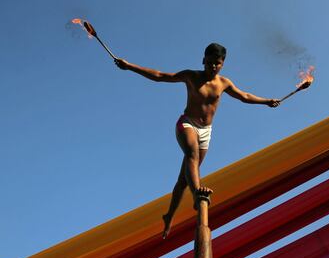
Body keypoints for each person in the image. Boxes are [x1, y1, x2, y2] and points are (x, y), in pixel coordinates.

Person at [115, 43, 280, 239]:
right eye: (209, 63)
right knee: (191, 155)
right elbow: (160, 76)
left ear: (222, 64)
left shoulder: (224, 83)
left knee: (183, 180)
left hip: (206, 132)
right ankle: (197, 195)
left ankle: (168, 216)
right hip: (187, 124)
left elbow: (244, 96)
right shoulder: (191, 76)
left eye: (216, 64)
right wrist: (130, 66)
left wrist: (266, 101)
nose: (212, 67)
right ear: (203, 60)